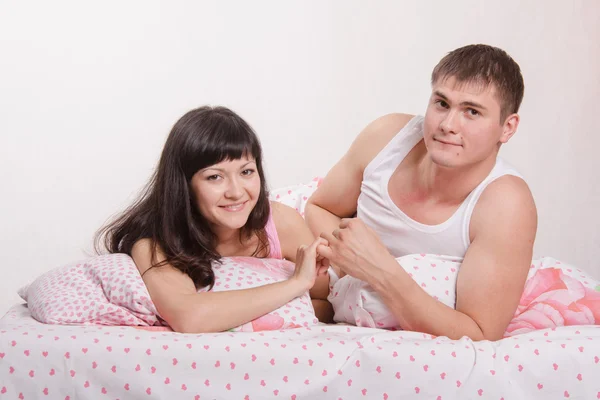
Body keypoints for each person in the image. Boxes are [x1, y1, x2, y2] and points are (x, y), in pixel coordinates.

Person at [306, 44, 538, 341]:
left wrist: (377, 268)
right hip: (341, 272)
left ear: (507, 128)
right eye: (442, 103)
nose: (447, 125)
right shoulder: (386, 136)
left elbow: (480, 334)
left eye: (471, 111)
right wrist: (347, 261)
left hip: (381, 282)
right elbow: (319, 206)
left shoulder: (506, 205)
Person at [95, 106, 332, 333]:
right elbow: (190, 318)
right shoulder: (154, 243)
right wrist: (294, 285)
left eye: (246, 172)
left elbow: (328, 300)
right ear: (184, 186)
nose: (236, 192)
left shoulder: (281, 223)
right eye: (215, 177)